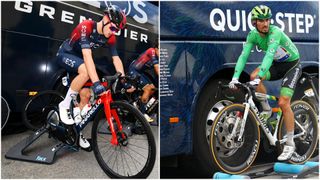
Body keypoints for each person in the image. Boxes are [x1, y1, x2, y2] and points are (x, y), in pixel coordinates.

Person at [228, 5, 301, 161]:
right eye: (261, 20)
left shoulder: (275, 33)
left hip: (291, 66)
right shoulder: (253, 35)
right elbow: (243, 56)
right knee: (252, 76)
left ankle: (290, 142)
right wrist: (235, 77)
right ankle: (267, 109)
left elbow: (268, 56)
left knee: (283, 102)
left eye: (267, 19)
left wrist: (259, 76)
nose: (265, 23)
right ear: (254, 22)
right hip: (277, 66)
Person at [56, 5, 127, 150]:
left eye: (117, 31)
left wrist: (123, 79)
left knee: (86, 95)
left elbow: (116, 59)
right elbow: (87, 56)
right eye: (113, 28)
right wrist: (95, 82)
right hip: (66, 54)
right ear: (106, 19)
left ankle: (75, 131)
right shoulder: (86, 26)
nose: (113, 33)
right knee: (87, 72)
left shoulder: (111, 37)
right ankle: (64, 105)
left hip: (81, 62)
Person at [128, 42, 159, 122]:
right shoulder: (151, 51)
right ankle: (142, 115)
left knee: (152, 88)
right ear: (155, 48)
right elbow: (156, 68)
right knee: (147, 89)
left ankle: (139, 102)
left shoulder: (158, 56)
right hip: (133, 70)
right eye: (160, 49)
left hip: (140, 72)